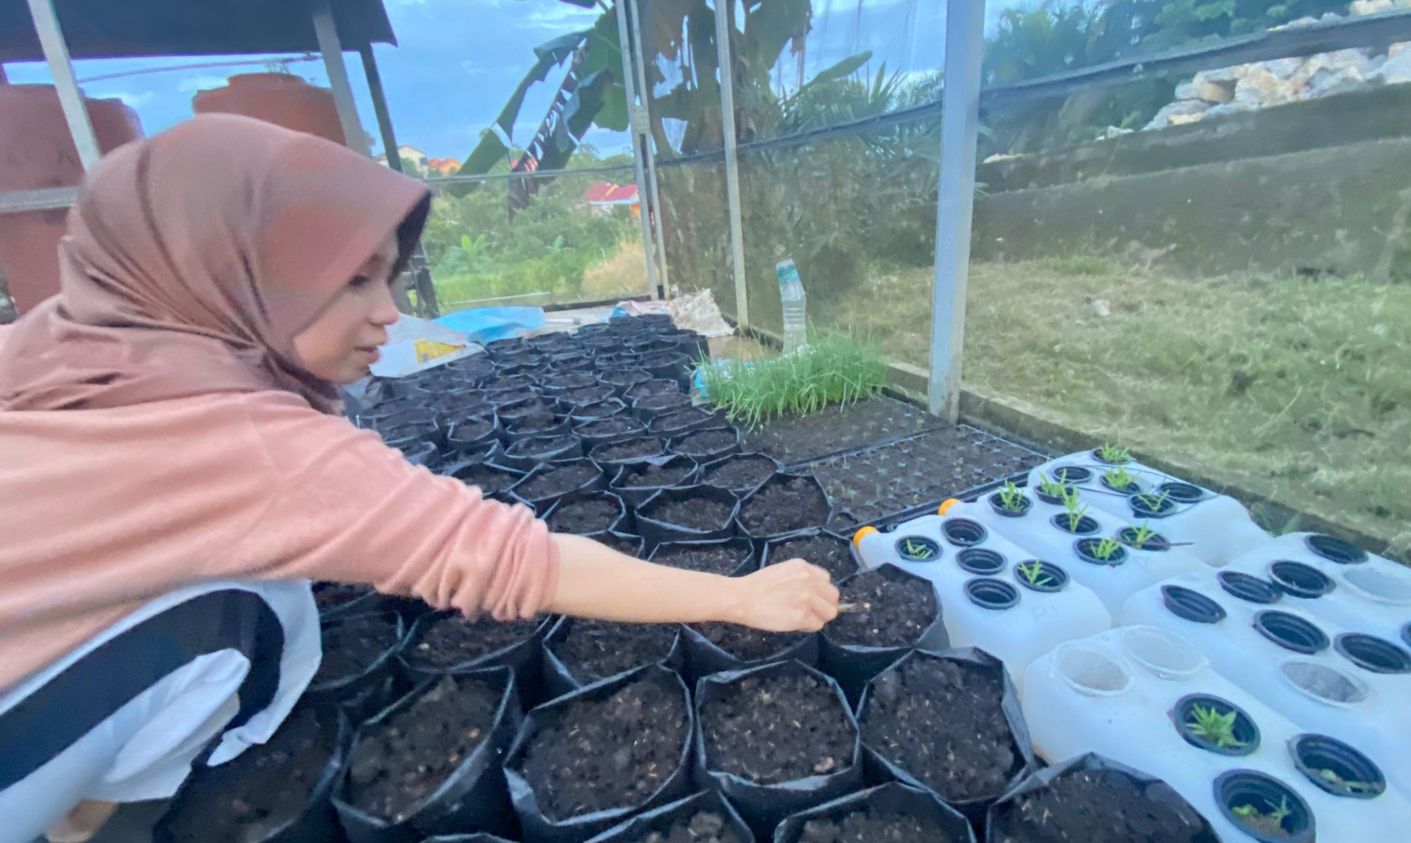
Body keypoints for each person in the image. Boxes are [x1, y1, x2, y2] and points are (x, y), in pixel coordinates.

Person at [0, 114, 840, 843]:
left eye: (386, 273)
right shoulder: (247, 442)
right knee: (262, 618)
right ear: (237, 274)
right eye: (350, 279)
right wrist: (735, 596)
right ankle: (87, 816)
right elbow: (510, 558)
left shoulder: (65, 345)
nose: (391, 310)